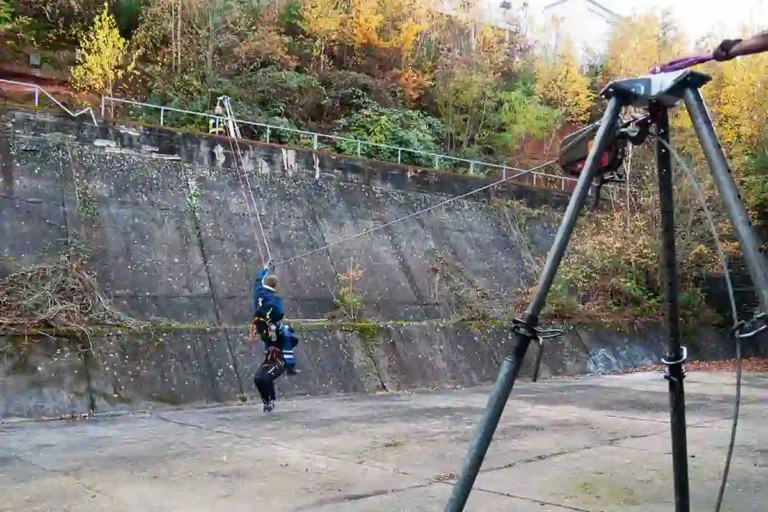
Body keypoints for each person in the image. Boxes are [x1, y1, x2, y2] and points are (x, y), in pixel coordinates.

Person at [250, 264, 300, 412]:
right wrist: (278, 321)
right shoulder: (273, 299)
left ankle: (289, 366)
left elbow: (258, 278)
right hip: (269, 356)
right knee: (257, 379)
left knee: (265, 379)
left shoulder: (258, 290)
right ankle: (267, 401)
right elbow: (278, 313)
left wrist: (265, 267)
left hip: (279, 359)